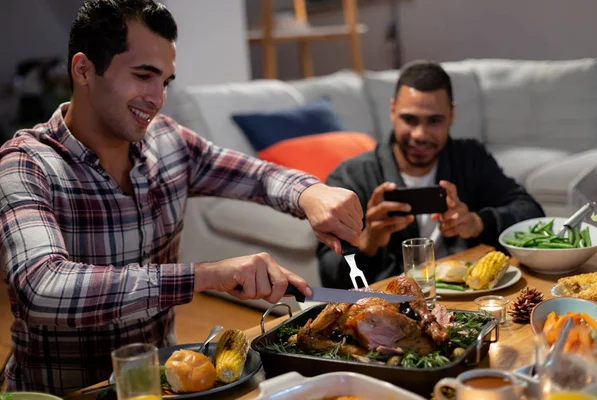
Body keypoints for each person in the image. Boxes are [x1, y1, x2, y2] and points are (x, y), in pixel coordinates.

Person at [0, 0, 363, 394]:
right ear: (84, 69)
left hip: (162, 385)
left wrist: (310, 192)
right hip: (67, 393)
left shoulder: (168, 141)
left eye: (166, 81)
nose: (157, 98)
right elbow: (42, 287)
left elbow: (257, 176)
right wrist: (209, 275)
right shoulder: (26, 163)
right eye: (144, 75)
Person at [317, 60, 545, 289]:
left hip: (469, 297)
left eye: (434, 121)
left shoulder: (470, 158)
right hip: (393, 306)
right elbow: (328, 276)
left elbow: (531, 213)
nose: (420, 134)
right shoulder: (350, 176)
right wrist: (367, 243)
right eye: (410, 119)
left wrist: (478, 222)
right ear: (392, 110)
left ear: (452, 115)